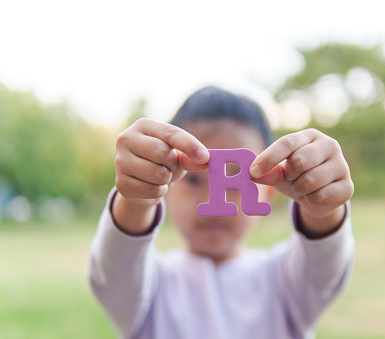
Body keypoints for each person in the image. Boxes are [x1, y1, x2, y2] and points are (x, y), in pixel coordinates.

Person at [88, 86, 355, 339]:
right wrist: (136, 200)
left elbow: (325, 265)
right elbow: (115, 267)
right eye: (193, 180)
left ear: (269, 189)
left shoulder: (286, 283)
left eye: (237, 180)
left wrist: (322, 209)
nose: (210, 202)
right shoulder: (147, 287)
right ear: (166, 184)